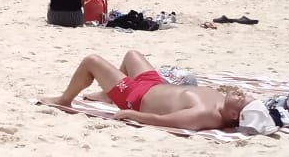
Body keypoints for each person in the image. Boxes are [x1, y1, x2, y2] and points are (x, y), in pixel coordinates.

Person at [40, 49, 251, 131]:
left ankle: (64, 100)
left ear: (234, 115)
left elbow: (167, 121)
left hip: (135, 95)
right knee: (132, 55)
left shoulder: (205, 114)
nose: (241, 93)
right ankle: (107, 94)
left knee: (91, 60)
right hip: (155, 84)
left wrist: (133, 114)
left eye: (242, 100)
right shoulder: (220, 100)